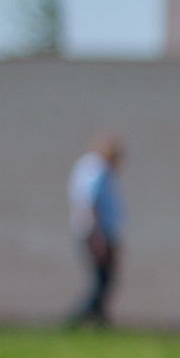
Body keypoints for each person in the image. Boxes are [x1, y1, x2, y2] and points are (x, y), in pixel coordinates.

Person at [66, 132, 124, 328]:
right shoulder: (96, 169)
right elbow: (90, 203)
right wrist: (98, 237)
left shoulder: (92, 168)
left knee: (105, 279)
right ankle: (76, 320)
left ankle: (100, 321)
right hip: (95, 234)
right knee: (102, 280)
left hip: (97, 233)